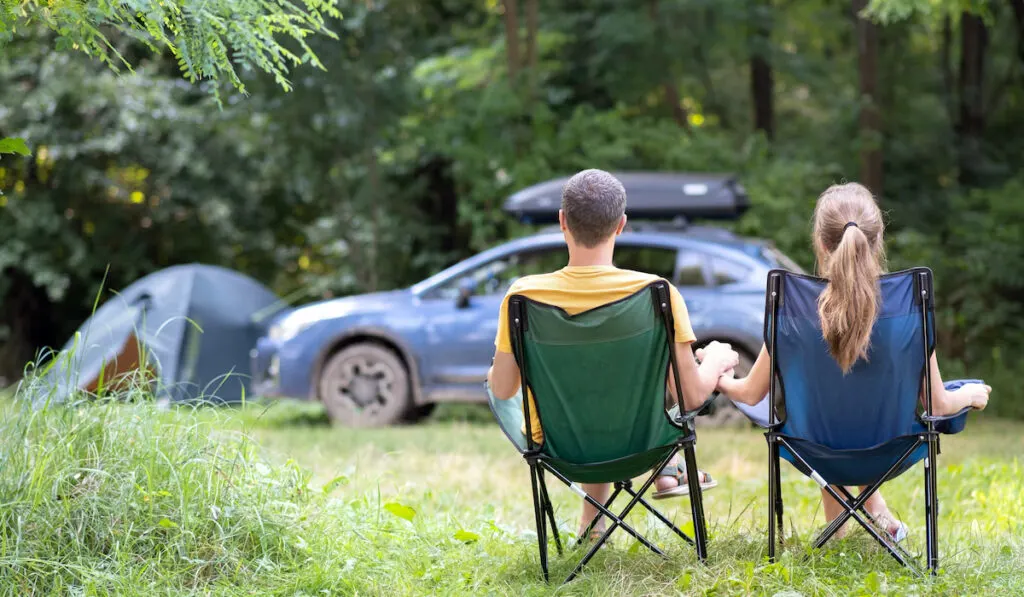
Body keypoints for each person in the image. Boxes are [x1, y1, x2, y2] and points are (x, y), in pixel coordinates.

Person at [715, 182, 992, 541]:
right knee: (860, 414)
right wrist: (969, 393)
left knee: (831, 417)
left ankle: (843, 526)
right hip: (890, 451)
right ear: (876, 242)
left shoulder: (796, 314)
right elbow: (938, 404)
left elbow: (751, 395)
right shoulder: (907, 312)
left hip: (814, 452)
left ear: (822, 243)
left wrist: (718, 375)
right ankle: (864, 516)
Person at [486, 169, 739, 540]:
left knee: (585, 396)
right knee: (636, 401)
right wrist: (716, 360)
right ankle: (664, 471)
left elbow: (504, 389)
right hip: (642, 444)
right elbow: (692, 396)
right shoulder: (657, 293)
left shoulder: (524, 296)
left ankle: (592, 523)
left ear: (561, 222)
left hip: (561, 448)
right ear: (621, 225)